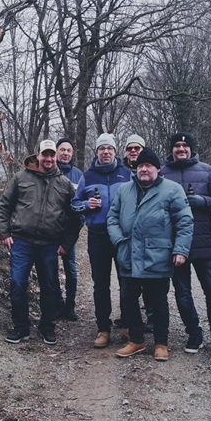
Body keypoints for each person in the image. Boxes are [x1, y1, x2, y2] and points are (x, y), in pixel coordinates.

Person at [107, 147, 193, 362]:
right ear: (135, 169)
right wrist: (118, 241)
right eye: (140, 166)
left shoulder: (172, 190)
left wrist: (180, 249)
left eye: (148, 166)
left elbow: (184, 222)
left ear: (157, 169)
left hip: (158, 256)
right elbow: (112, 217)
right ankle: (136, 340)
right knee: (128, 299)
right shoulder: (124, 190)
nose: (144, 169)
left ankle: (161, 343)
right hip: (128, 254)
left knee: (158, 301)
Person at [0, 139, 81, 345]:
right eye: (46, 154)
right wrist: (4, 233)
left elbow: (76, 218)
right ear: (38, 155)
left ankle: (47, 327)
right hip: (21, 242)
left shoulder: (65, 184)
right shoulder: (20, 178)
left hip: (50, 244)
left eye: (52, 155)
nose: (49, 159)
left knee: (50, 287)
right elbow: (4, 206)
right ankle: (20, 327)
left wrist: (67, 244)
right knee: (17, 284)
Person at [160, 132, 211, 354]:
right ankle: (194, 334)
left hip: (203, 242)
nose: (181, 149)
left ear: (191, 148)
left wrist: (203, 201)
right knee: (182, 292)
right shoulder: (162, 173)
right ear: (171, 149)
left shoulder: (207, 170)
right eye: (177, 146)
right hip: (175, 245)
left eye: (185, 145)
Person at [72, 133, 132, 348]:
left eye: (110, 148)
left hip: (123, 236)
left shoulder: (127, 174)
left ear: (115, 151)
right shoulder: (87, 176)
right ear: (96, 152)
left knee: (127, 281)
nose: (106, 152)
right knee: (101, 284)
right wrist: (88, 205)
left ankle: (128, 324)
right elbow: (74, 204)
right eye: (102, 149)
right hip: (97, 235)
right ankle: (103, 329)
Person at [120, 133, 154, 333]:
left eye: (137, 148)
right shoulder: (120, 171)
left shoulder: (152, 170)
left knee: (150, 278)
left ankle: (152, 316)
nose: (133, 151)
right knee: (127, 281)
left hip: (148, 237)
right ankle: (128, 319)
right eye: (130, 148)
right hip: (125, 237)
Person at [54, 137, 84, 321]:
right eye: (62, 150)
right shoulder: (49, 171)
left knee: (70, 269)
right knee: (50, 269)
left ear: (72, 154)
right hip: (49, 230)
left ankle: (70, 306)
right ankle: (57, 304)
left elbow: (80, 208)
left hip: (69, 232)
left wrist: (70, 238)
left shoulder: (79, 175)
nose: (65, 153)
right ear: (57, 152)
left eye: (68, 150)